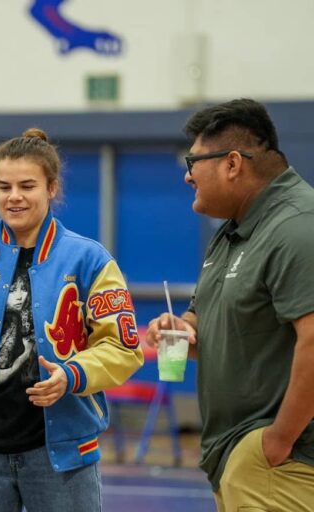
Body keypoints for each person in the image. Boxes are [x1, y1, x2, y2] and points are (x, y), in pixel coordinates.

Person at [0, 128, 144, 511]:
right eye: (4, 186)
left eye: (27, 186)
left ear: (51, 188)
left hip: (63, 454)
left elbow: (123, 347)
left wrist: (72, 375)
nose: (14, 197)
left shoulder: (89, 260)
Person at [146, 98, 314, 511]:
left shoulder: (296, 228)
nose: (187, 176)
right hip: (240, 461)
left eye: (193, 162)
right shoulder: (232, 232)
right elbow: (216, 329)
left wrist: (278, 441)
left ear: (232, 163)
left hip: (283, 464)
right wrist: (185, 333)